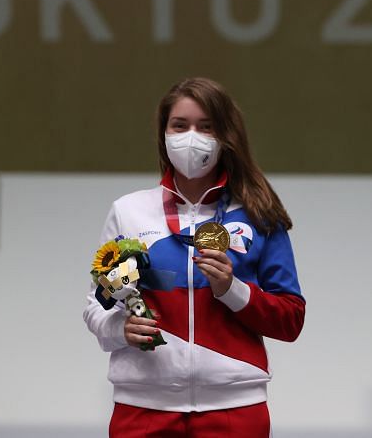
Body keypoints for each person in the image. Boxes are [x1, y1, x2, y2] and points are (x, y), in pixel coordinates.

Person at [83, 77, 305, 437]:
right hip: (143, 409)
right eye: (180, 125)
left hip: (235, 410)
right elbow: (97, 306)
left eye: (206, 127)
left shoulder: (258, 214)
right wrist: (119, 330)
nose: (191, 137)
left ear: (226, 136)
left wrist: (231, 289)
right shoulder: (129, 212)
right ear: (164, 134)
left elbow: (291, 320)